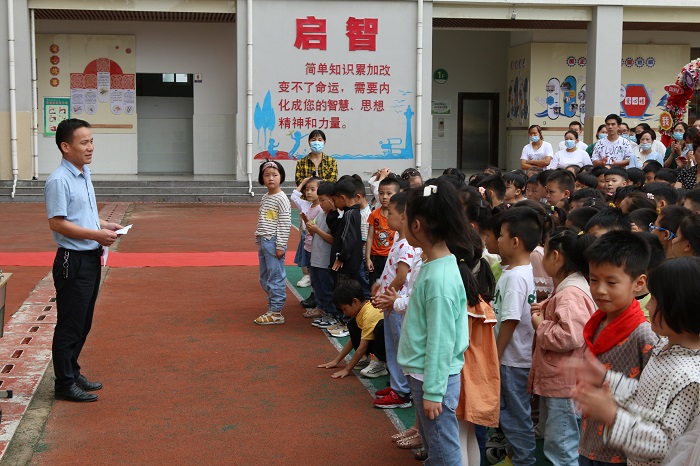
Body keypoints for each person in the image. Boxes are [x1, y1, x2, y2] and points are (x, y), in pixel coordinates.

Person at [573, 257, 700, 466]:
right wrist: (607, 379)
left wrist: (613, 417)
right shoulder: (665, 348)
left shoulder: (690, 377)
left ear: (677, 306)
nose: (648, 305)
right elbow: (645, 398)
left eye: (655, 300)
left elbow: (664, 444)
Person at [44, 118, 125, 402]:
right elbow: (57, 223)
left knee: (83, 321)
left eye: (92, 141)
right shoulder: (59, 180)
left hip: (90, 257)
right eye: (84, 142)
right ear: (66, 147)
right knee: (69, 323)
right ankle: (64, 384)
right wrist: (95, 233)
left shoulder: (83, 172)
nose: (90, 147)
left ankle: (72, 371)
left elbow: (83, 213)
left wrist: (104, 225)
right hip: (72, 260)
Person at [397, 180, 469, 465]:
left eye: (403, 219)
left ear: (416, 226)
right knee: (436, 447)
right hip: (427, 376)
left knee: (443, 451)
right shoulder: (436, 264)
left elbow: (441, 341)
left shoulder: (438, 279)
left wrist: (433, 393)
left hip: (433, 379)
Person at [578, 231, 659, 465]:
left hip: (622, 448)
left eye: (611, 282)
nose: (600, 290)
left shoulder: (644, 333)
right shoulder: (596, 322)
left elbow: (650, 397)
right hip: (589, 437)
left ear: (639, 283)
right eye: (593, 280)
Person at [529, 228, 597, 466]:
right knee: (560, 443)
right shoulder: (571, 287)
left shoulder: (570, 292)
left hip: (564, 384)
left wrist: (541, 325)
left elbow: (571, 336)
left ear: (556, 256)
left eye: (546, 253)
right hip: (562, 381)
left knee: (562, 449)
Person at [490, 207, 541, 466]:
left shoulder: (515, 278)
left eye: (500, 235)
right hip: (516, 357)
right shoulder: (518, 272)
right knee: (512, 413)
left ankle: (523, 460)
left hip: (512, 360)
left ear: (515, 242)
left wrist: (494, 359)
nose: (496, 240)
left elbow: (509, 321)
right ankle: (515, 456)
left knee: (514, 415)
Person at [370, 191, 416, 409]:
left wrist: (385, 295)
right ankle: (399, 385)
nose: (386, 217)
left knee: (399, 346)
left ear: (404, 217)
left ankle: (403, 391)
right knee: (392, 344)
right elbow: (391, 270)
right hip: (392, 301)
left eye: (390, 213)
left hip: (396, 303)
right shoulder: (399, 240)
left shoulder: (406, 245)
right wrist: (380, 284)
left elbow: (401, 276)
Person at [317, 280, 386, 379]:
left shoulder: (369, 314)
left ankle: (380, 363)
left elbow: (362, 347)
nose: (344, 313)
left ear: (355, 302)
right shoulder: (362, 310)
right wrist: (336, 361)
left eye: (344, 309)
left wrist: (347, 369)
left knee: (380, 327)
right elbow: (352, 340)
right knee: (352, 324)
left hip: (389, 345)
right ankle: (368, 359)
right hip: (377, 339)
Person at [254, 160, 291, 325]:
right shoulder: (265, 197)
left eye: (275, 175)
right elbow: (262, 219)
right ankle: (272, 306)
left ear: (281, 177)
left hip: (274, 241)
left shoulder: (282, 198)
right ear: (262, 178)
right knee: (265, 277)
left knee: (275, 276)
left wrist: (281, 245)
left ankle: (276, 311)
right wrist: (259, 238)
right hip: (264, 240)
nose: (271, 178)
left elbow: (284, 223)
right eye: (267, 175)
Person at [304, 182, 340, 321]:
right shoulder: (321, 214)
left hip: (325, 260)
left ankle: (330, 313)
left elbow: (333, 240)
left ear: (332, 199)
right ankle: (321, 308)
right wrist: (311, 228)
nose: (321, 204)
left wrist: (316, 230)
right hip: (316, 258)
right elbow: (316, 234)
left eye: (323, 200)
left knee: (327, 288)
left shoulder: (334, 216)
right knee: (317, 286)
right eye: (319, 200)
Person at [366, 177, 399, 285]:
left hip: (391, 256)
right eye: (381, 193)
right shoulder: (374, 214)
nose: (384, 197)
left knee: (388, 284)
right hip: (375, 257)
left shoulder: (398, 216)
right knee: (374, 285)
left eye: (389, 193)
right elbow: (370, 237)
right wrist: (367, 258)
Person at [291, 177, 322, 290]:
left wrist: (306, 220)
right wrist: (303, 182)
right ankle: (313, 294)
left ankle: (317, 296)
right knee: (309, 268)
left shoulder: (322, 208)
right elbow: (294, 197)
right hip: (307, 242)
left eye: (312, 189)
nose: (308, 192)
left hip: (316, 242)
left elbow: (314, 228)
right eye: (307, 189)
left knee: (316, 270)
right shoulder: (306, 205)